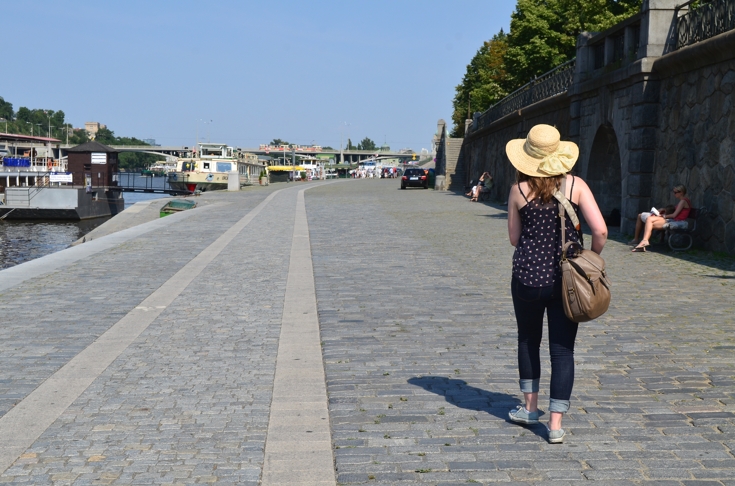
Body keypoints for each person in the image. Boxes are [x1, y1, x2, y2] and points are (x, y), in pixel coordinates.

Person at [506, 124, 607, 444]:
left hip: (528, 278)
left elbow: (514, 238)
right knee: (563, 351)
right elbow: (601, 230)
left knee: (528, 340)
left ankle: (529, 409)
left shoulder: (519, 190)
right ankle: (555, 424)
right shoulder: (577, 185)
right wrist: (590, 258)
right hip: (569, 281)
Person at [631, 185, 691, 252]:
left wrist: (663, 216)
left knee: (650, 221)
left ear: (681, 193)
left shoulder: (683, 201)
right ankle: (644, 241)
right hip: (674, 219)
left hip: (677, 221)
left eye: (675, 192)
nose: (674, 194)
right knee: (649, 219)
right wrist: (663, 212)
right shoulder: (682, 201)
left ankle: (644, 241)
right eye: (674, 192)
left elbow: (674, 215)